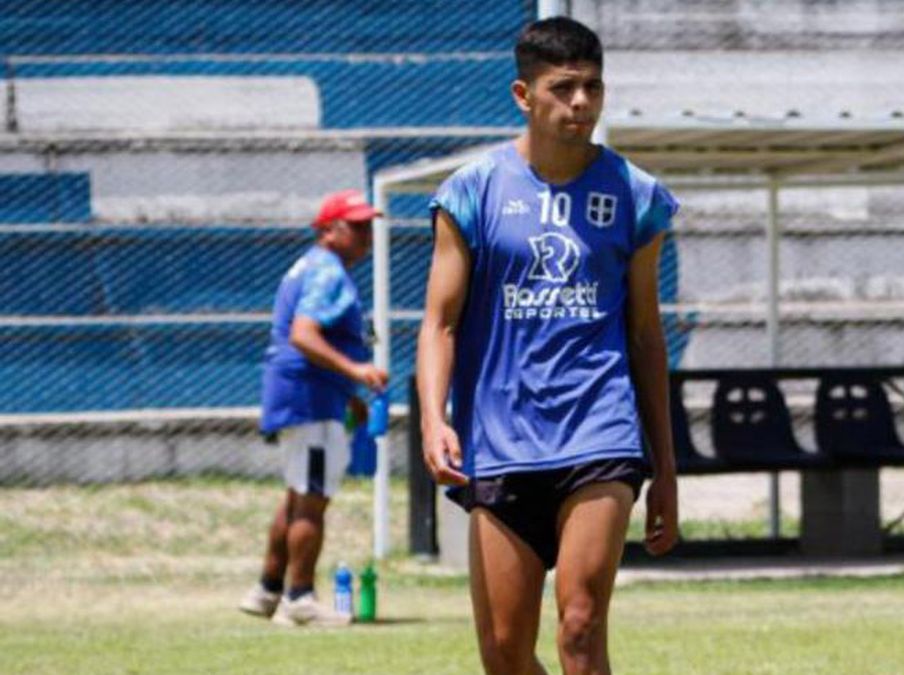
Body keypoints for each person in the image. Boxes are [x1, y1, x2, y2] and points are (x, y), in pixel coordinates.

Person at [417, 16, 679, 674]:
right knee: (505, 653)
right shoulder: (471, 192)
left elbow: (646, 335)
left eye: (593, 87)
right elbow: (439, 323)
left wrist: (666, 468)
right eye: (563, 88)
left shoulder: (636, 196)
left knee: (581, 629)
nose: (581, 102)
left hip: (599, 432)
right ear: (523, 95)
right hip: (500, 439)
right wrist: (432, 419)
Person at [238, 189, 388, 627]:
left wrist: (349, 394)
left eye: (368, 226)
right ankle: (299, 598)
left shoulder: (308, 265)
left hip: (305, 393)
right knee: (313, 499)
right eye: (356, 226)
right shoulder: (328, 271)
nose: (366, 236)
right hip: (310, 398)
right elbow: (303, 335)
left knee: (298, 493)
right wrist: (357, 371)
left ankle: (268, 589)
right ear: (328, 230)